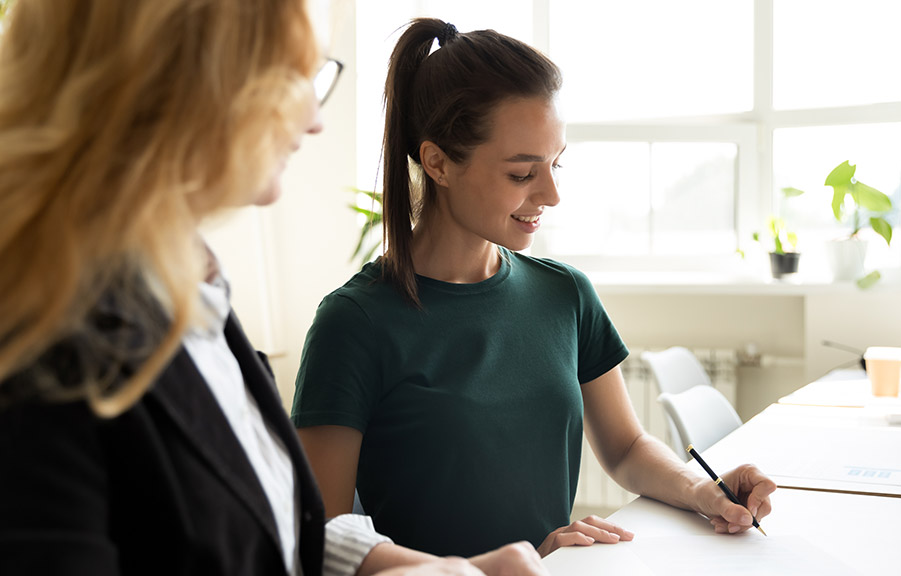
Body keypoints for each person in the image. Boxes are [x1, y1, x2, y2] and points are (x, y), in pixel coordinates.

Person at [0, 2, 546, 575]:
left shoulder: (187, 284)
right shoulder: (39, 350)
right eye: (289, 77)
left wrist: (420, 569)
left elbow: (261, 523)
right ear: (171, 76)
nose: (314, 119)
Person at [291, 17, 778, 560]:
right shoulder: (354, 323)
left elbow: (625, 447)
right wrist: (490, 570)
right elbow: (321, 543)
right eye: (522, 174)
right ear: (438, 163)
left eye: (555, 164)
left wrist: (700, 489)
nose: (550, 194)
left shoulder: (565, 294)